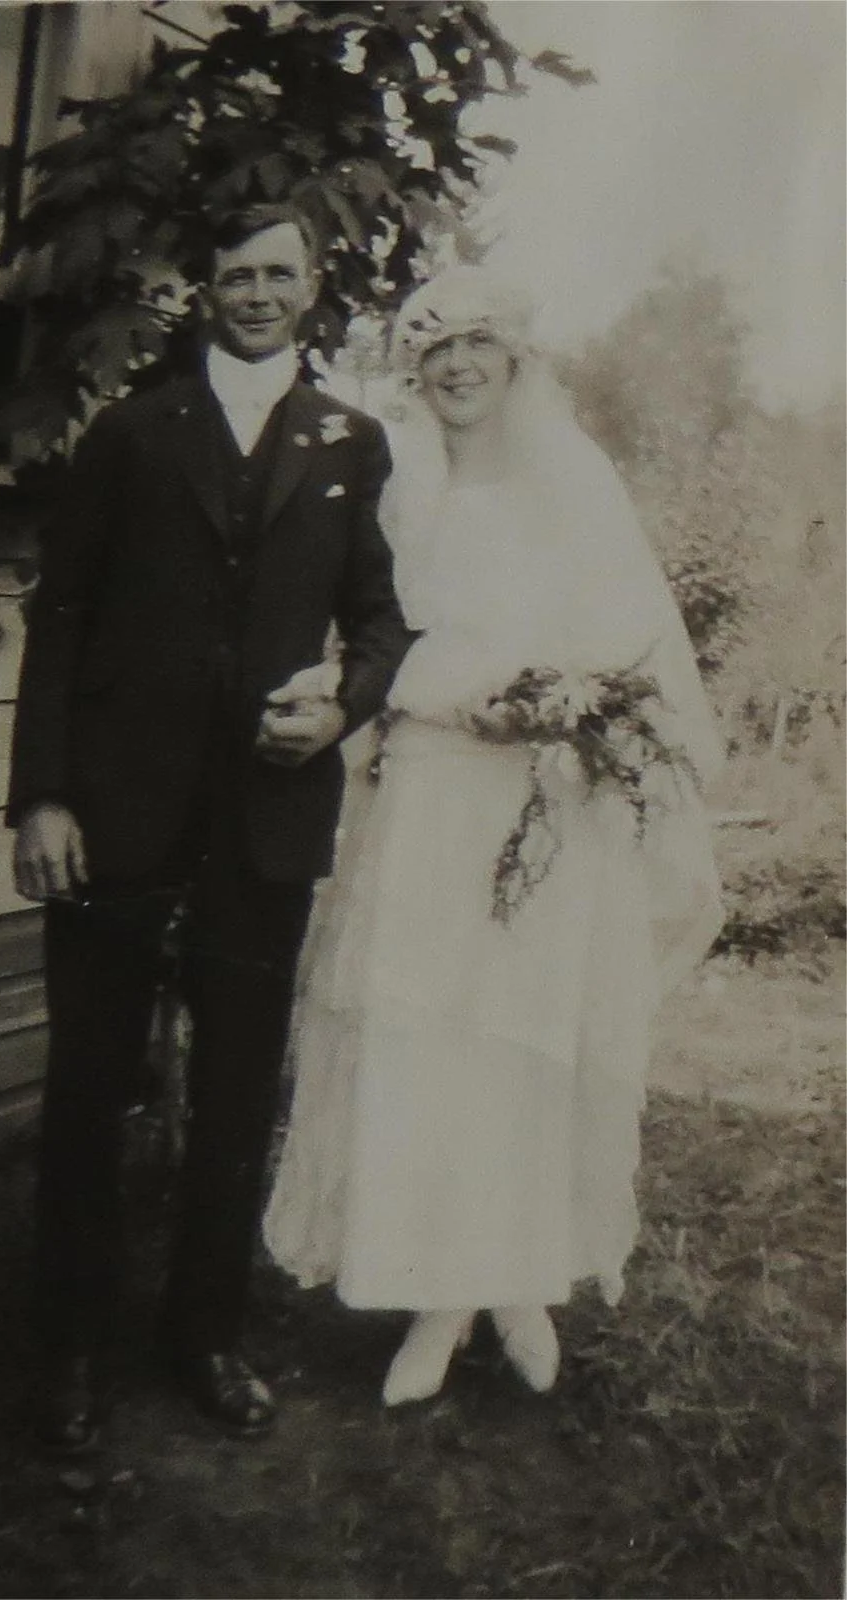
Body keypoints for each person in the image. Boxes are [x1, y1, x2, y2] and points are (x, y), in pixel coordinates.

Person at [264, 266, 725, 1406]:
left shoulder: (571, 476)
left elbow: (620, 637)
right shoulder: (396, 479)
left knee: (516, 1039)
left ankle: (508, 1279)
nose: (458, 366)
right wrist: (437, 695)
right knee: (421, 1032)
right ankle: (434, 1293)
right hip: (428, 782)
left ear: (516, 358)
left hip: (536, 801)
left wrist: (554, 703)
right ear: (413, 367)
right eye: (437, 349)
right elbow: (375, 628)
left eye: (478, 344)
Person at [7, 202, 413, 1450]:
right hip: (119, 815)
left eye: (278, 273)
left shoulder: (352, 441)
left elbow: (384, 620)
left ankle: (205, 1336)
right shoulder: (133, 433)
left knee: (238, 1093)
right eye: (234, 273)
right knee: (86, 1085)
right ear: (207, 289)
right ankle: (69, 1350)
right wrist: (44, 796)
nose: (255, 293)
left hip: (264, 823)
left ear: (310, 285)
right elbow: (61, 613)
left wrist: (340, 707)